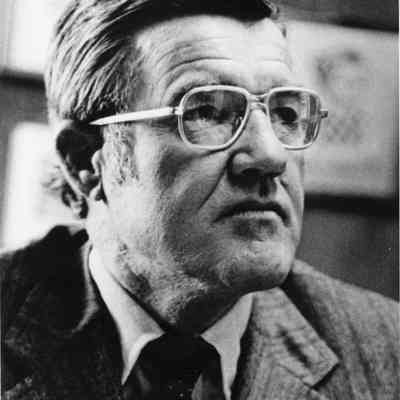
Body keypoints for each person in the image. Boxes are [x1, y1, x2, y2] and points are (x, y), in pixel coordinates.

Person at [1, 0, 398, 399]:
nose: (271, 155)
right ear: (86, 161)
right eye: (206, 111)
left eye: (286, 114)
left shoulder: (387, 351)